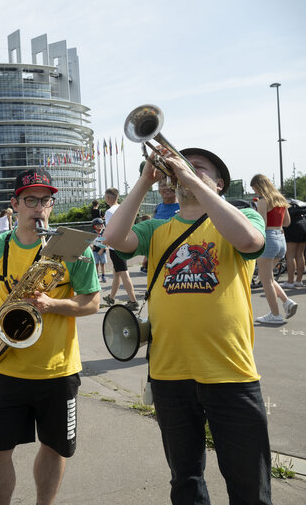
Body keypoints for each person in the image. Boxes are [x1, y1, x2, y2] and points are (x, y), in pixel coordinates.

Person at [104, 146, 271, 504]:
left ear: (219, 183)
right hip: (169, 375)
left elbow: (250, 241)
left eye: (197, 167)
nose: (182, 171)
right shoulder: (158, 227)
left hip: (231, 373)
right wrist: (145, 179)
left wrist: (190, 176)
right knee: (185, 482)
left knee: (250, 487)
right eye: (180, 166)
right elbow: (113, 239)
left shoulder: (243, 216)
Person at [0, 168, 100, 505]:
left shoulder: (70, 245)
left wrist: (53, 303)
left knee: (54, 449)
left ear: (52, 205)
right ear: (15, 204)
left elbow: (92, 302)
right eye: (30, 200)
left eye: (45, 200)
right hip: (5, 366)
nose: (39, 208)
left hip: (58, 371)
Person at [251, 174, 296, 324]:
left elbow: (261, 223)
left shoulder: (263, 201)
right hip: (280, 239)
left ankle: (275, 315)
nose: (255, 192)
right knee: (268, 277)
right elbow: (287, 222)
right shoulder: (281, 200)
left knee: (266, 280)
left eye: (255, 189)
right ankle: (287, 302)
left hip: (269, 239)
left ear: (259, 186)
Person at [102, 188, 139, 311]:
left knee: (123, 272)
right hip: (126, 243)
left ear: (108, 198)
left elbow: (110, 230)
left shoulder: (109, 212)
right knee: (117, 272)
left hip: (115, 246)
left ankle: (133, 300)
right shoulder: (123, 208)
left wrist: (104, 243)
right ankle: (111, 297)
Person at [141, 177, 181, 272]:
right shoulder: (158, 208)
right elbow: (152, 233)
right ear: (159, 190)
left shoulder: (184, 207)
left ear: (177, 187)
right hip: (158, 255)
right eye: (163, 185)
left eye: (170, 184)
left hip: (178, 256)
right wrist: (147, 255)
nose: (167, 187)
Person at [282, 199, 306, 288]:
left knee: (290, 256)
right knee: (300, 254)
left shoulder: (285, 205)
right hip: (303, 224)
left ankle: (290, 281)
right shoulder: (299, 207)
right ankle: (299, 281)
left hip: (292, 226)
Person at [91, 217, 107, 282]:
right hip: (95, 251)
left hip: (102, 251)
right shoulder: (93, 233)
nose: (99, 226)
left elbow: (106, 241)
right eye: (97, 225)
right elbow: (91, 241)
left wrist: (102, 249)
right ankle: (97, 275)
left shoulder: (104, 232)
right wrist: (91, 246)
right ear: (94, 226)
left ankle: (103, 275)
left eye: (100, 225)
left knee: (102, 264)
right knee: (96, 264)